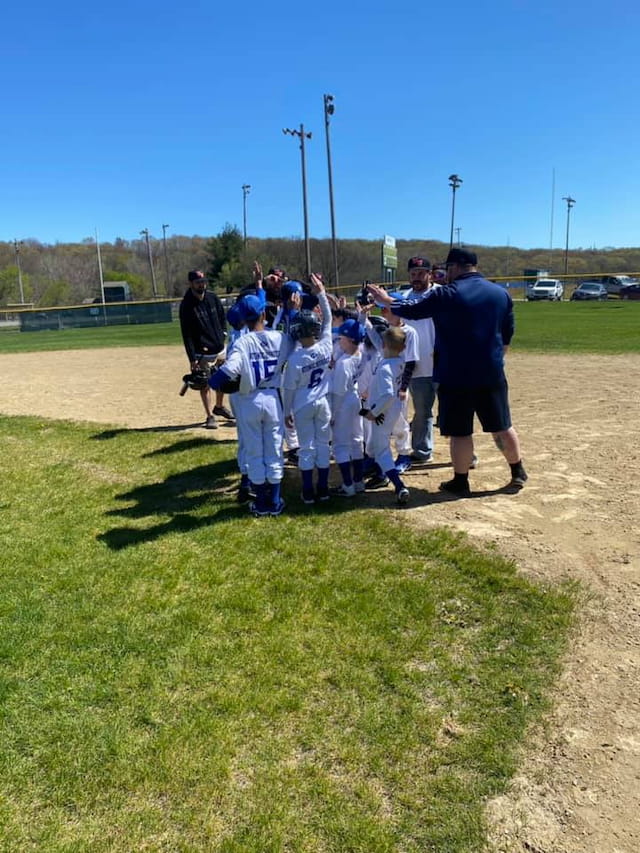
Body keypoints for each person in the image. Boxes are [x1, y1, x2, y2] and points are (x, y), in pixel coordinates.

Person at [368, 248, 527, 495]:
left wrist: (387, 300)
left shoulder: (448, 293)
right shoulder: (500, 294)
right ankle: (518, 471)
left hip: (455, 373)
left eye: (448, 268)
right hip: (491, 371)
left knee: (460, 431)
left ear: (454, 267)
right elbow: (507, 336)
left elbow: (412, 309)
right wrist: (494, 360)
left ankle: (461, 481)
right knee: (502, 425)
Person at [207, 294, 294, 517]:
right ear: (264, 314)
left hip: (249, 399)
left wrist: (211, 382)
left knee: (254, 450)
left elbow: (230, 370)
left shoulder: (242, 342)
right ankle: (275, 501)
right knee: (274, 449)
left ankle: (261, 503)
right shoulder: (280, 338)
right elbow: (295, 344)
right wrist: (291, 310)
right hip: (273, 398)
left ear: (244, 320)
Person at [282, 276, 332, 504]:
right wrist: (321, 293)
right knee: (323, 445)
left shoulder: (295, 359)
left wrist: (286, 412)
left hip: (303, 405)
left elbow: (289, 389)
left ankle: (308, 491)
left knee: (306, 448)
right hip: (323, 402)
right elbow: (328, 319)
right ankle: (323, 488)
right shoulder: (326, 346)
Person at [360, 325, 410, 505]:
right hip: (395, 408)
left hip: (383, 413)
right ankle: (377, 470)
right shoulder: (400, 361)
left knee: (382, 451)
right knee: (375, 445)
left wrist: (374, 412)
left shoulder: (385, 368)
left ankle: (398, 485)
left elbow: (387, 394)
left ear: (383, 346)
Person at [179, 269, 235, 429]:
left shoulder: (212, 297)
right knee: (204, 383)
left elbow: (221, 316)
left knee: (222, 379)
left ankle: (219, 406)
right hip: (201, 351)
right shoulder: (187, 305)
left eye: (203, 281)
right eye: (198, 282)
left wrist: (223, 332)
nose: (202, 285)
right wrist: (192, 358)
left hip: (219, 347)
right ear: (191, 283)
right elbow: (186, 334)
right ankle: (210, 415)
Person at [401, 256, 438, 463]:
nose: (416, 277)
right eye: (413, 273)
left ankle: (466, 455)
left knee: (454, 411)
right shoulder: (403, 298)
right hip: (417, 365)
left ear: (429, 274)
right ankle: (422, 451)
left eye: (421, 273)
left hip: (443, 364)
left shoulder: (440, 294)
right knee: (422, 412)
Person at [330, 318, 366, 496]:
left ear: (350, 339)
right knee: (356, 440)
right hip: (355, 399)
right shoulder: (361, 354)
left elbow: (338, 393)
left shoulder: (343, 363)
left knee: (340, 445)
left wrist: (332, 414)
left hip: (343, 402)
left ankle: (347, 485)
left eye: (341, 338)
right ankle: (359, 482)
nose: (339, 342)